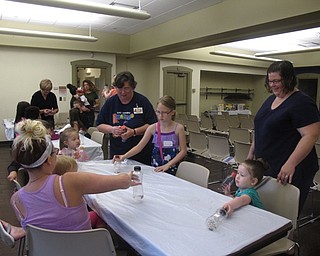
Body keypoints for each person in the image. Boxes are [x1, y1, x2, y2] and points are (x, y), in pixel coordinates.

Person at [9, 119, 137, 235]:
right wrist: (129, 177)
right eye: (55, 153)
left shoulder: (16, 200)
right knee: (101, 214)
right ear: (49, 160)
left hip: (45, 251)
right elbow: (121, 181)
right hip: (83, 249)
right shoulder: (68, 182)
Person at [247, 60, 320, 214]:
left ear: (289, 79)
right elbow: (261, 127)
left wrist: (290, 164)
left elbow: (311, 135)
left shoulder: (302, 102)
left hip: (291, 169)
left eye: (276, 81)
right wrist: (252, 151)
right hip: (267, 164)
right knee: (265, 208)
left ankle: (288, 237)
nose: (272, 85)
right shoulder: (271, 99)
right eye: (270, 81)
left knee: (284, 214)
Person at [115, 95, 187, 175]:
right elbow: (139, 147)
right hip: (155, 168)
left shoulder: (179, 128)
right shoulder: (152, 128)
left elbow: (183, 151)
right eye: (158, 112)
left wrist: (168, 165)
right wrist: (124, 156)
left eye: (164, 113)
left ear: (172, 112)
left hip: (172, 168)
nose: (160, 116)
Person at [96, 71, 157, 165]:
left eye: (126, 88)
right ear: (115, 88)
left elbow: (153, 125)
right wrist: (112, 129)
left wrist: (134, 132)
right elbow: (99, 125)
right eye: (119, 88)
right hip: (117, 153)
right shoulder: (111, 102)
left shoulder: (142, 101)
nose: (123, 92)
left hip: (141, 154)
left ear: (133, 87)